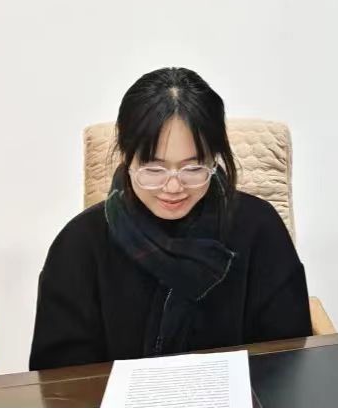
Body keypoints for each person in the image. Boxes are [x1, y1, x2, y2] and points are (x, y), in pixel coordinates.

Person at [29, 67, 311, 370]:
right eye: (154, 169)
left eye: (193, 168)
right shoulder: (78, 245)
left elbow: (288, 359)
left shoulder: (260, 229)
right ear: (126, 155)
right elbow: (60, 379)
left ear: (214, 157)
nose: (174, 187)